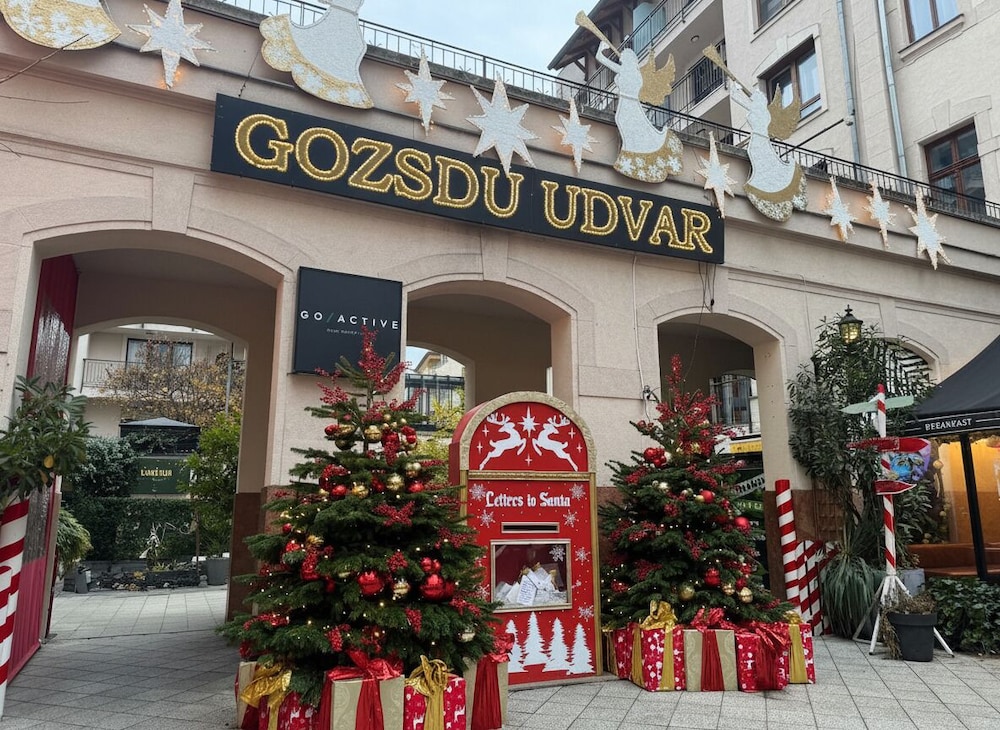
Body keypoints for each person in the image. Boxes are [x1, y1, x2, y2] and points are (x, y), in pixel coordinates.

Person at [595, 42, 682, 183]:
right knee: (629, 130)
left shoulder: (627, 72)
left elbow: (601, 59)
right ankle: (629, 160)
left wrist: (601, 49)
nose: (621, 59)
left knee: (628, 129)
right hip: (630, 106)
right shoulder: (634, 73)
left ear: (628, 59)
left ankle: (629, 160)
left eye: (623, 57)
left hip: (628, 105)